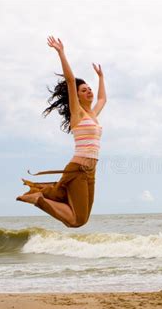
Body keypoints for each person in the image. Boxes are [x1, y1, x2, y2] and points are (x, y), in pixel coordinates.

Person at [16, 36, 107, 228]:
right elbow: (70, 80)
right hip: (78, 168)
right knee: (76, 221)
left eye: (89, 89)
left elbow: (102, 100)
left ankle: (47, 191)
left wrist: (101, 78)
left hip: (91, 171)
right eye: (84, 90)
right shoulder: (78, 113)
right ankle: (39, 198)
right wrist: (61, 52)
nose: (89, 91)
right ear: (77, 95)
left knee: (81, 219)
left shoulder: (93, 115)